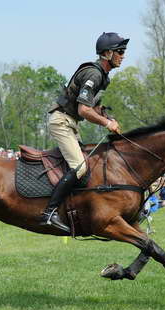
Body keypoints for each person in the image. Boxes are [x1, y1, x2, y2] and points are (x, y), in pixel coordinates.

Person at [39, 32, 127, 232]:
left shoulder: (103, 77)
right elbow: (83, 110)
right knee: (79, 167)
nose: (123, 55)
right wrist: (106, 123)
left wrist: (107, 117)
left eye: (123, 52)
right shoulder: (94, 74)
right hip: (62, 121)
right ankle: (49, 213)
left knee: (86, 164)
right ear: (107, 54)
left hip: (71, 123)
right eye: (120, 51)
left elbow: (91, 106)